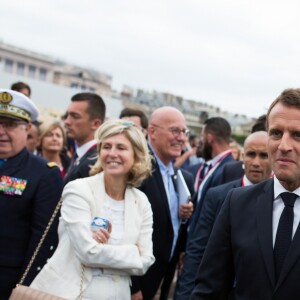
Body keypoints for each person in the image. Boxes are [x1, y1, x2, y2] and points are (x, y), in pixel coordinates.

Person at [191, 88, 300, 300]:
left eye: (298, 134)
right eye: (276, 133)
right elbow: (209, 289)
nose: (284, 146)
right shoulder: (237, 203)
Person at [30, 119, 155, 299]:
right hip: (71, 294)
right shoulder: (78, 190)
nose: (112, 153)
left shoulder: (141, 201)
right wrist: (131, 253)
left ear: (136, 155)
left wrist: (101, 252)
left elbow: (145, 261)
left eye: (121, 148)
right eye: (106, 147)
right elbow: (87, 252)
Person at [175, 131, 272, 299]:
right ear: (242, 157)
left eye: (264, 156)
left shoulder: (284, 202)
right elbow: (198, 251)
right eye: (251, 154)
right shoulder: (218, 196)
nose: (256, 162)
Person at [0, 89, 63, 299]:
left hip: (6, 283)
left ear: (27, 128)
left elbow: (43, 240)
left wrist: (23, 286)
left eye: (9, 125)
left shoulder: (44, 173)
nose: (1, 131)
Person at [131, 106, 195, 300]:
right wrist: (133, 288)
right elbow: (125, 231)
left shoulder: (179, 175)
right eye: (175, 131)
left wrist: (184, 215)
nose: (182, 138)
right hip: (137, 280)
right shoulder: (137, 169)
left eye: (184, 132)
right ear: (152, 132)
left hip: (162, 276)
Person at [188, 117, 235, 236]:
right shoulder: (215, 166)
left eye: (202, 136)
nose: (200, 141)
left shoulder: (229, 169)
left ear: (209, 138)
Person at [63, 92, 106, 185]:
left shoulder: (96, 162)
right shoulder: (80, 154)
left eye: (75, 116)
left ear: (96, 124)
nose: (67, 122)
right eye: (67, 115)